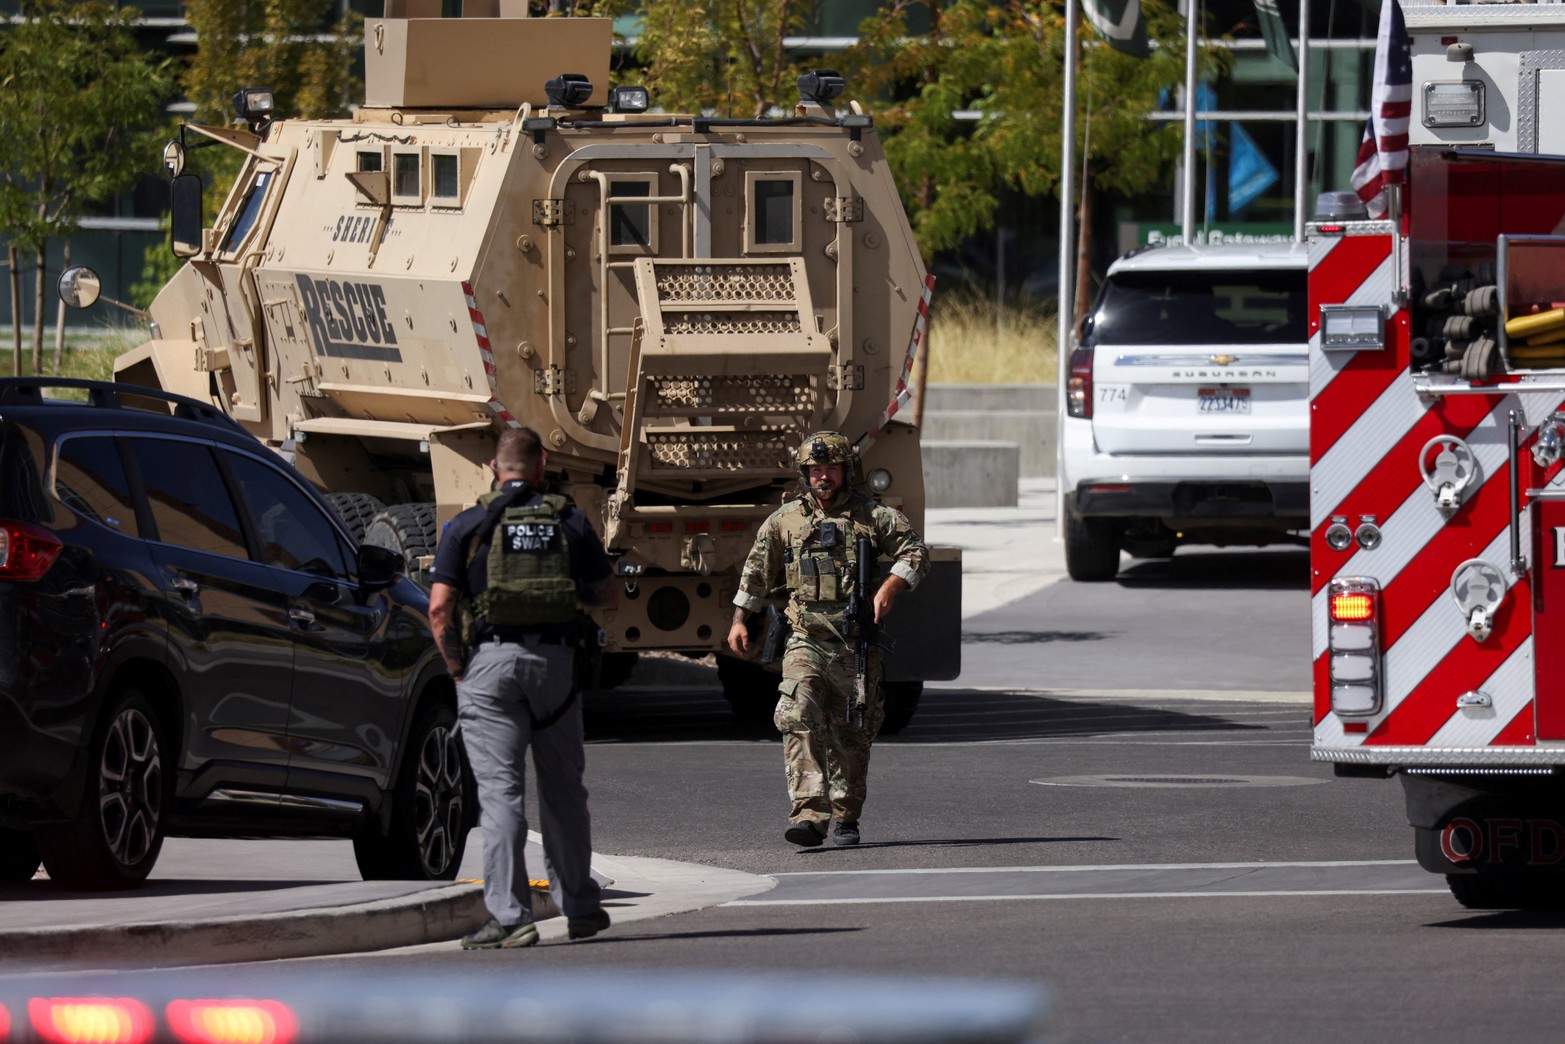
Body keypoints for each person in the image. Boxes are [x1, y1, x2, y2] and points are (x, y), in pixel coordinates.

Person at [427, 426, 618, 949]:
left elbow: (440, 608)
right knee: (563, 792)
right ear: (541, 466)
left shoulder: (469, 524)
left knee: (500, 795)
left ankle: (511, 918)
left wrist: (458, 669)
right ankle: (579, 907)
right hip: (555, 666)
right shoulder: (569, 520)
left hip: (489, 666)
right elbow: (607, 595)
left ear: (494, 467)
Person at [726, 431, 929, 848]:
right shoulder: (785, 520)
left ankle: (845, 814)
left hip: (856, 645)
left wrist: (889, 587)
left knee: (851, 733)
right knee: (797, 714)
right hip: (805, 639)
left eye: (831, 469)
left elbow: (915, 553)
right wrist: (740, 619)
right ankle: (809, 814)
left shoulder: (873, 516)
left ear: (845, 472)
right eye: (816, 470)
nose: (823, 477)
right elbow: (755, 571)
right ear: (805, 474)